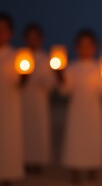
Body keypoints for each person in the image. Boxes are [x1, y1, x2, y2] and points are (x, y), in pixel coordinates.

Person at [60, 29, 102, 183]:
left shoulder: (99, 67)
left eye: (89, 45)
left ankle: (93, 166)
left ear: (95, 47)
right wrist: (59, 75)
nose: (85, 49)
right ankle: (75, 168)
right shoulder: (71, 67)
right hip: (76, 108)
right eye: (82, 45)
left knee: (93, 136)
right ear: (76, 47)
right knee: (75, 137)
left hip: (93, 109)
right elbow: (65, 90)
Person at [20, 23, 55, 174]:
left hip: (39, 100)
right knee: (23, 130)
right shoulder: (20, 57)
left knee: (39, 130)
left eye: (36, 38)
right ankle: (25, 160)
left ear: (41, 39)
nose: (33, 41)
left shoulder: (45, 59)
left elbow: (51, 83)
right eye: (30, 38)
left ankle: (38, 161)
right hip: (22, 100)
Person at [0, 13, 25, 185]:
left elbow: (20, 81)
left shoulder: (17, 56)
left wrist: (24, 76)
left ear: (11, 33)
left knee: (8, 139)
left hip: (9, 106)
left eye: (4, 30)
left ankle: (7, 174)